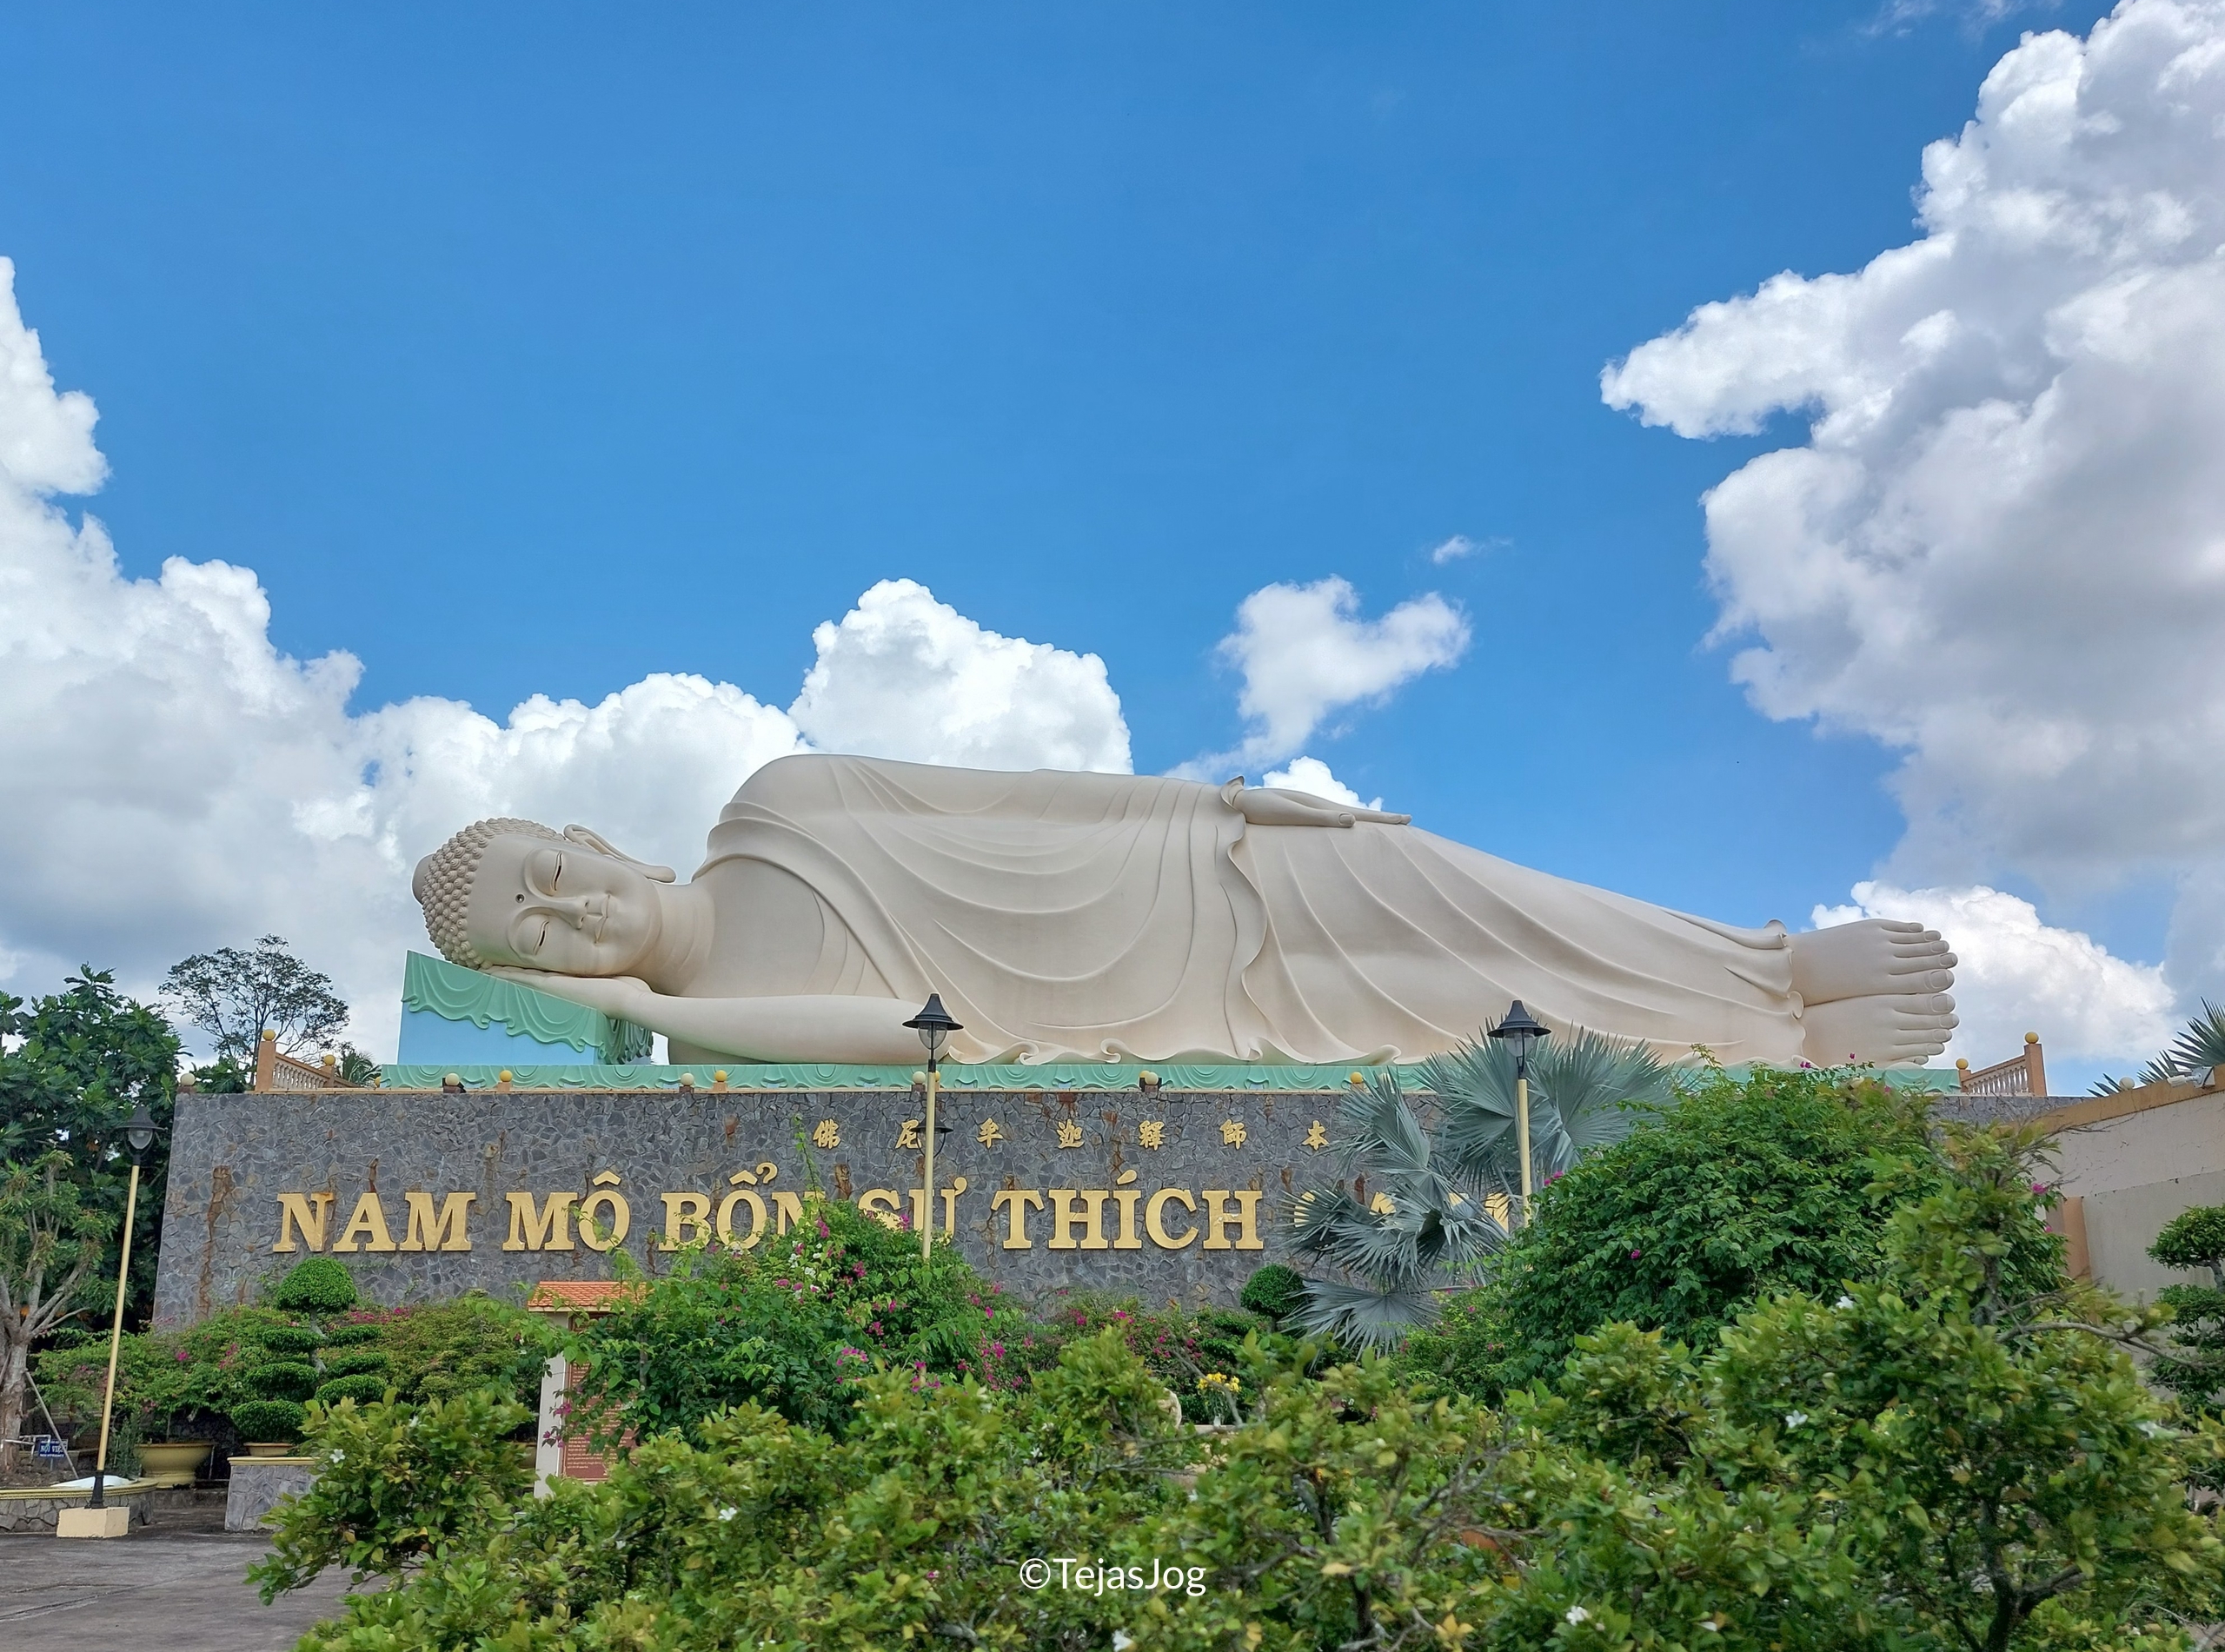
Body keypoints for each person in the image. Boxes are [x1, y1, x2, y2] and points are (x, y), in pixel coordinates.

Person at [412, 753, 1956, 1066]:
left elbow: (1017, 795)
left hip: (1175, 870)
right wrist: (649, 1006)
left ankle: (1759, 962)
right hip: (1146, 1007)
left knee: (1452, 884)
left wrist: (1209, 801)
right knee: (1441, 1007)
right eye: (537, 942)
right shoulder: (717, 1021)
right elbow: (923, 1042)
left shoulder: (781, 799)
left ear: (592, 831)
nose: (573, 914)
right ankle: (1773, 1043)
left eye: (554, 874)